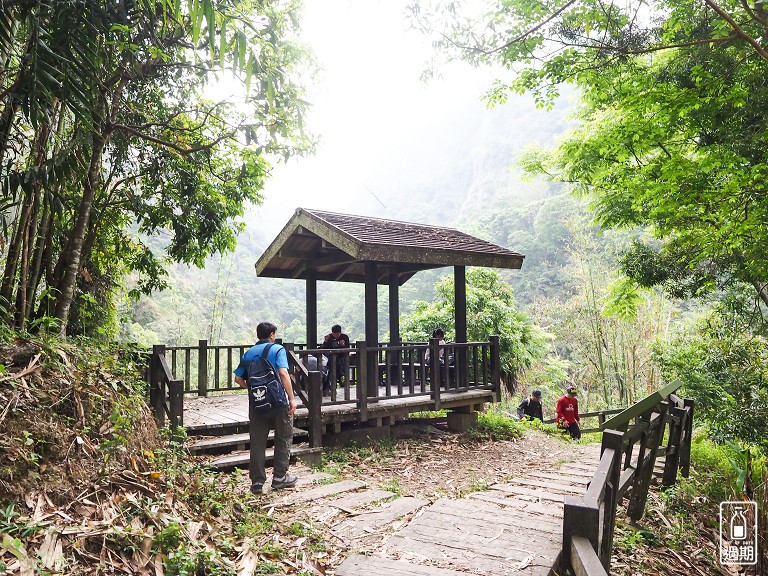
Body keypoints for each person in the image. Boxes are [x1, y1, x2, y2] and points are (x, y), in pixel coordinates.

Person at [234, 322, 297, 494]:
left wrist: (254, 390)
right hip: (278, 402)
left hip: (257, 404)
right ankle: (279, 478)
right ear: (272, 335)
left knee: (257, 442)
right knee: (283, 438)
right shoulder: (277, 349)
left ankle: (257, 483)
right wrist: (291, 399)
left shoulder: (248, 354)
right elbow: (283, 373)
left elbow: (238, 379)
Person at [321, 324, 350, 395]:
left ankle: (330, 387)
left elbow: (348, 349)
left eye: (338, 334)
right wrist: (325, 341)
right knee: (330, 369)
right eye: (335, 334)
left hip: (342, 358)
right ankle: (335, 382)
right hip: (330, 359)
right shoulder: (329, 337)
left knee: (335, 368)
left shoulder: (344, 337)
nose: (336, 335)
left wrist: (343, 345)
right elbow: (324, 349)